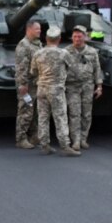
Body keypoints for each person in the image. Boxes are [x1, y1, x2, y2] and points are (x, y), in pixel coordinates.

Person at [30, 26, 79, 156]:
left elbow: (33, 72)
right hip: (56, 90)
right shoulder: (63, 53)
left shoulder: (38, 53)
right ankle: (65, 146)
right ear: (59, 39)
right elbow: (74, 69)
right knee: (60, 117)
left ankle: (45, 145)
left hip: (41, 89)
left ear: (46, 39)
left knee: (43, 117)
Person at [64, 25, 103, 151]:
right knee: (74, 113)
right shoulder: (66, 52)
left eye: (80, 36)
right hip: (72, 86)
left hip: (88, 86)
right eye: (75, 37)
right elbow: (60, 70)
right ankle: (75, 140)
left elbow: (97, 69)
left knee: (86, 114)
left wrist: (99, 86)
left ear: (85, 37)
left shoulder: (92, 52)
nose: (77, 39)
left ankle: (83, 139)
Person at [14, 19, 42, 149]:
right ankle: (21, 138)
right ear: (29, 29)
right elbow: (22, 67)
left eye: (40, 29)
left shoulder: (37, 44)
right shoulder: (23, 45)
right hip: (27, 84)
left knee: (35, 111)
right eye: (37, 29)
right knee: (26, 110)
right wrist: (23, 84)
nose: (39, 31)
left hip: (36, 83)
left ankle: (34, 136)